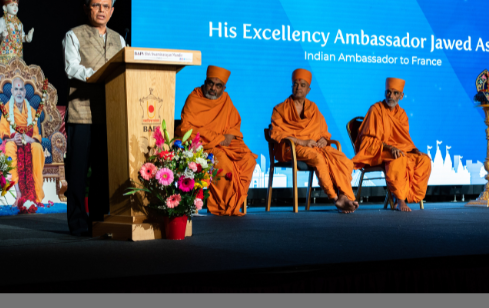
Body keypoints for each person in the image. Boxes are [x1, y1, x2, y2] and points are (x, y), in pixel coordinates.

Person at [63, 0, 126, 236]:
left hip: (109, 115)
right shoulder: (74, 35)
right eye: (96, 5)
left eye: (106, 6)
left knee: (103, 173)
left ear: (112, 11)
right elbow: (71, 68)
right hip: (81, 114)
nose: (101, 10)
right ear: (88, 8)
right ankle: (78, 224)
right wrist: (97, 75)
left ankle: (99, 221)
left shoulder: (119, 39)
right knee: (78, 173)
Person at [271, 69, 358, 213]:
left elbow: (323, 131)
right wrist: (302, 142)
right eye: (295, 84)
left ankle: (344, 195)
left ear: (308, 90)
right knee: (317, 157)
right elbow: (277, 133)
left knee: (345, 160)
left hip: (314, 147)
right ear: (292, 86)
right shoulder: (280, 109)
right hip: (290, 149)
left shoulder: (313, 108)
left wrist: (324, 140)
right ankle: (335, 198)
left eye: (303, 85)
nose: (298, 87)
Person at [175, 65, 257, 216]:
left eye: (218, 86)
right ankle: (221, 207)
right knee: (222, 161)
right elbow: (186, 128)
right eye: (210, 83)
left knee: (248, 160)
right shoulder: (194, 98)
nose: (213, 88)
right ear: (205, 83)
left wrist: (230, 135)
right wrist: (216, 138)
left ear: (224, 88)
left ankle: (234, 203)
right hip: (203, 145)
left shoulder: (226, 100)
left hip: (225, 143)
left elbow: (234, 124)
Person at [352, 78, 432, 212]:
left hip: (399, 150)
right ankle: (400, 200)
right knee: (398, 157)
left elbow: (404, 140)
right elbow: (367, 139)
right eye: (388, 92)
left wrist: (415, 150)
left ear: (401, 96)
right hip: (377, 149)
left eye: (395, 93)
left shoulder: (402, 114)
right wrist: (389, 147)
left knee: (424, 160)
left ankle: (409, 196)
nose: (391, 96)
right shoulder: (375, 109)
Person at [0, 77, 46, 205]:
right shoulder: (6, 110)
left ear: (25, 92)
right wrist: (13, 138)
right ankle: (18, 192)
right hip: (14, 140)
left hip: (28, 140)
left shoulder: (31, 111)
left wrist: (30, 139)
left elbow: (36, 133)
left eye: (21, 89)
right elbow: (3, 131)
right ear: (12, 92)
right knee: (9, 147)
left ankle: (37, 194)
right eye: (16, 89)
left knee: (37, 148)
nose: (19, 92)